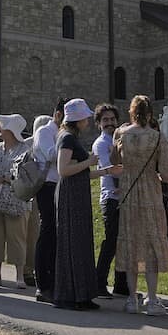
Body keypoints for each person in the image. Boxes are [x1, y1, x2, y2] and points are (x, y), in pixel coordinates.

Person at [111, 95, 168, 316]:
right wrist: (156, 174)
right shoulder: (158, 137)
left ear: (131, 112)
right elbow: (167, 174)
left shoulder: (121, 134)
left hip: (128, 191)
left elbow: (114, 161)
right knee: (150, 242)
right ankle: (153, 299)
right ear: (150, 114)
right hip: (150, 193)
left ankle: (131, 298)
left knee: (131, 241)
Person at [52, 99, 106, 310]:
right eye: (86, 116)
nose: (88, 120)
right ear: (79, 119)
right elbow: (63, 170)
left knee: (80, 243)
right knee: (73, 244)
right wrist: (89, 162)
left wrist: (106, 171)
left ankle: (82, 294)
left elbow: (81, 172)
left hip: (77, 195)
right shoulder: (66, 138)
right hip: (71, 197)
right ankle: (70, 295)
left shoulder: (70, 137)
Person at [0, 113, 31, 289]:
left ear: (11, 130)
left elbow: (24, 176)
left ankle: (19, 276)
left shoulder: (24, 150)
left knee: (17, 237)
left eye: (2, 126)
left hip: (15, 200)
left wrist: (3, 177)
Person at [91, 103, 129, 299]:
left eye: (112, 120)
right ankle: (98, 282)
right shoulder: (101, 143)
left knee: (123, 242)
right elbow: (110, 167)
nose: (110, 123)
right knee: (111, 241)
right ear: (99, 123)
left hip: (125, 197)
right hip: (111, 197)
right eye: (105, 120)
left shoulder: (120, 140)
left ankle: (121, 284)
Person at [32, 98, 65, 302]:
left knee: (55, 233)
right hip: (46, 186)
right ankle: (42, 283)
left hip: (60, 185)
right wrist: (68, 146)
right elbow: (52, 155)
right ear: (59, 115)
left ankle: (54, 279)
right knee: (48, 231)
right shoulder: (45, 131)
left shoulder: (62, 133)